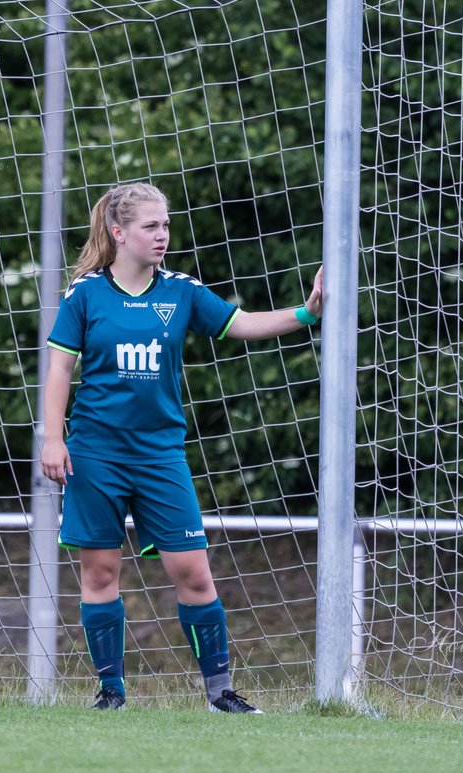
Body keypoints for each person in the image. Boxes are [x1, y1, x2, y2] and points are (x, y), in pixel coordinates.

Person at [41, 182, 323, 712]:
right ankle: (111, 694)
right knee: (99, 573)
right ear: (118, 232)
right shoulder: (85, 295)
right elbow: (60, 369)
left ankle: (220, 695)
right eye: (150, 226)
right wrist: (52, 439)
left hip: (160, 456)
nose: (162, 235)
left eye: (166, 225)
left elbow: (241, 324)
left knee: (193, 573)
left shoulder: (182, 291)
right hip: (95, 453)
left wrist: (306, 313)